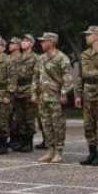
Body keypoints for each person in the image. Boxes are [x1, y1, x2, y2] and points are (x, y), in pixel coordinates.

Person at [75, 25, 98, 166]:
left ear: (97, 36)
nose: (86, 37)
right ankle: (91, 153)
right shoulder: (85, 54)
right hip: (87, 93)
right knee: (88, 125)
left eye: (89, 34)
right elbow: (80, 76)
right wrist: (78, 94)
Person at [33, 31, 72, 163]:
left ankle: (59, 152)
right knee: (46, 124)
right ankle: (50, 150)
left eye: (44, 41)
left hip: (55, 97)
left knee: (58, 125)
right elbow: (36, 77)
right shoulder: (41, 58)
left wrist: (64, 93)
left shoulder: (62, 58)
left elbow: (68, 78)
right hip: (43, 97)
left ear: (52, 42)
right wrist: (34, 93)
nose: (42, 43)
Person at [12, 35, 39, 152]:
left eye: (26, 41)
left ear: (31, 44)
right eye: (22, 40)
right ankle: (21, 141)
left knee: (29, 118)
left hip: (29, 89)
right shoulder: (18, 58)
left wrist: (34, 92)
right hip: (18, 90)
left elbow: (36, 76)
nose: (23, 42)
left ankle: (28, 142)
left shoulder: (35, 58)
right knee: (19, 118)